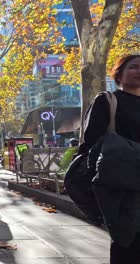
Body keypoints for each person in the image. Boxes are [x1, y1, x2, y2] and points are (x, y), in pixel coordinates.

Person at [81, 54, 140, 263]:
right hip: (120, 182)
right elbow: (90, 142)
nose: (139, 71)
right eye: (134, 67)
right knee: (126, 240)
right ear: (119, 74)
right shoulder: (108, 101)